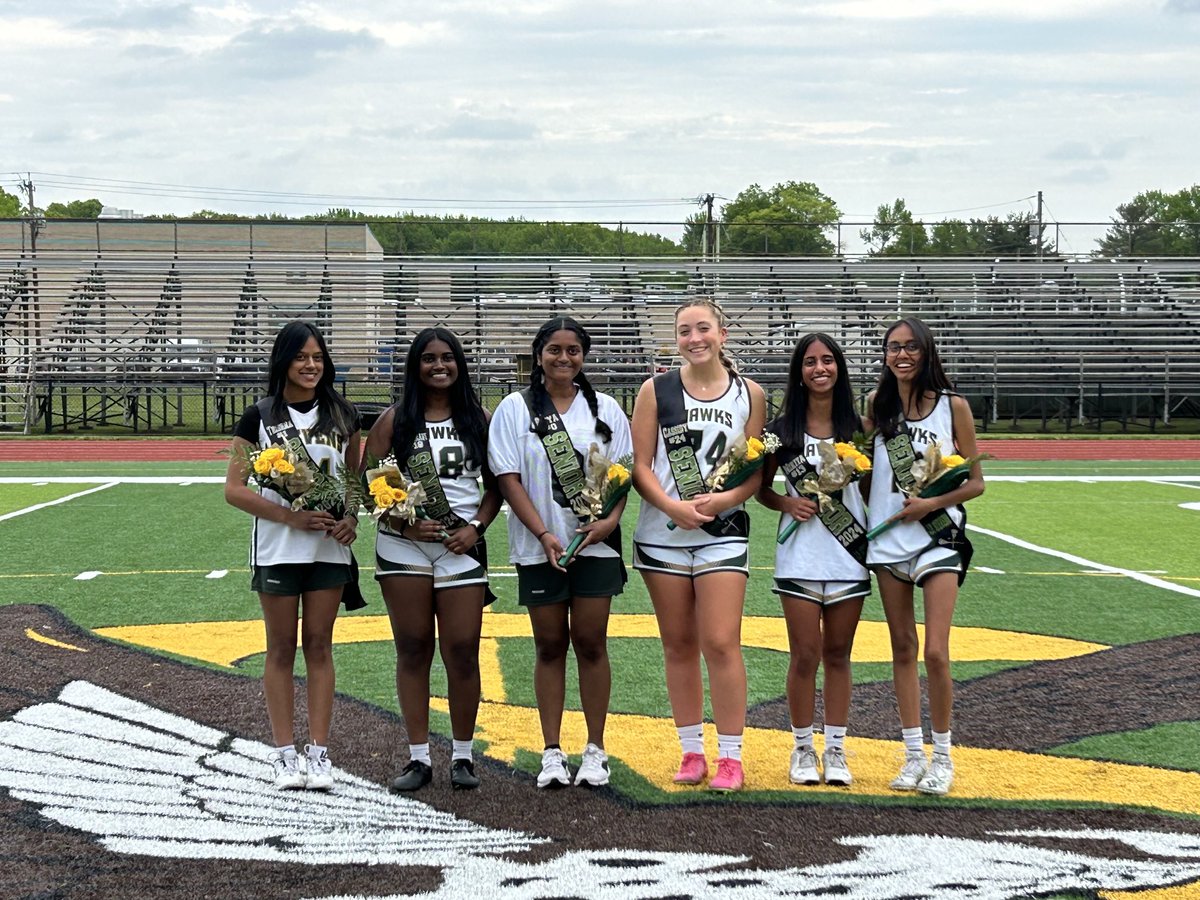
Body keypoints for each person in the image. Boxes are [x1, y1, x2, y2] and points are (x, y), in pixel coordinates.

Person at [488, 317, 632, 789]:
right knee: (549, 645)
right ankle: (552, 751)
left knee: (591, 642)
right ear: (539, 354)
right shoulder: (514, 408)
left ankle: (595, 749)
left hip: (596, 546)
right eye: (554, 349)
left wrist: (609, 522)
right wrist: (544, 533)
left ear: (584, 356)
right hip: (538, 546)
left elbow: (621, 476)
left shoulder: (607, 408)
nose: (564, 358)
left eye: (573, 350)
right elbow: (507, 478)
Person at [630, 298, 766, 793]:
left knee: (722, 642)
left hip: (721, 534)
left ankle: (731, 756)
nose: (694, 338)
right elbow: (640, 465)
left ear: (722, 334)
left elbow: (754, 470)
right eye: (684, 330)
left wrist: (725, 498)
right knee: (679, 644)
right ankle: (691, 751)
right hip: (663, 533)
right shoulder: (655, 390)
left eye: (703, 328)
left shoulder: (750, 393)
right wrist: (672, 507)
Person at [224, 320, 360, 791]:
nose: (311, 365)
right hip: (279, 547)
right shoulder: (258, 416)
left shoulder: (343, 414)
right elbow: (234, 490)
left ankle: (319, 753)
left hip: (328, 551)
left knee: (320, 646)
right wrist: (290, 519)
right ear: (283, 361)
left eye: (318, 357)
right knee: (281, 648)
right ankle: (284, 754)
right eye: (301, 357)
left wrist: (352, 519)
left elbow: (354, 482)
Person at [366, 327, 501, 793]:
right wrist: (404, 524)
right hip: (402, 545)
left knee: (462, 650)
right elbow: (370, 485)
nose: (438, 366)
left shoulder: (479, 418)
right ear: (415, 366)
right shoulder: (395, 419)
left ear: (459, 363)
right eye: (428, 359)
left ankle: (462, 757)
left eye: (447, 357)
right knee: (414, 647)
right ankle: (419, 757)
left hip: (459, 546)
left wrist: (476, 527)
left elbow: (498, 486)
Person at [866, 316, 985, 796]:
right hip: (890, 542)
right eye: (894, 348)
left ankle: (943, 756)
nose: (902, 355)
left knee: (935, 651)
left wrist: (931, 504)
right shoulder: (878, 405)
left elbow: (976, 482)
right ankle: (912, 755)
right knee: (901, 648)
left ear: (926, 352)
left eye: (911, 347)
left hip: (938, 538)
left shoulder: (954, 405)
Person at [757, 333, 869, 787]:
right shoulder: (780, 433)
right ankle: (802, 747)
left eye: (827, 360)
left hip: (848, 554)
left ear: (839, 368)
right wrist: (787, 505)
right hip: (800, 557)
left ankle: (837, 749)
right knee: (805, 655)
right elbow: (761, 490)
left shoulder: (859, 428)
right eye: (810, 362)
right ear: (798, 372)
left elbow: (872, 492)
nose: (819, 368)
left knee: (839, 655)